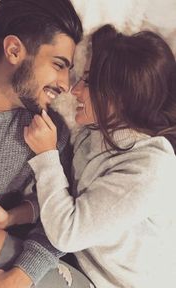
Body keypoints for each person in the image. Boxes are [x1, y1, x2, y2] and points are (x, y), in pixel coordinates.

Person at [0, 0, 92, 288]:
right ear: (13, 50)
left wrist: (20, 275)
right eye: (58, 65)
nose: (65, 84)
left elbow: (61, 219)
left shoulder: (49, 132)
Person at [22, 24, 176, 287]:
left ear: (123, 97)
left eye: (89, 81)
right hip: (73, 260)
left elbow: (66, 232)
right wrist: (17, 214)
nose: (74, 90)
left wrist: (47, 155)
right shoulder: (90, 135)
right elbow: (68, 200)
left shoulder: (150, 170)